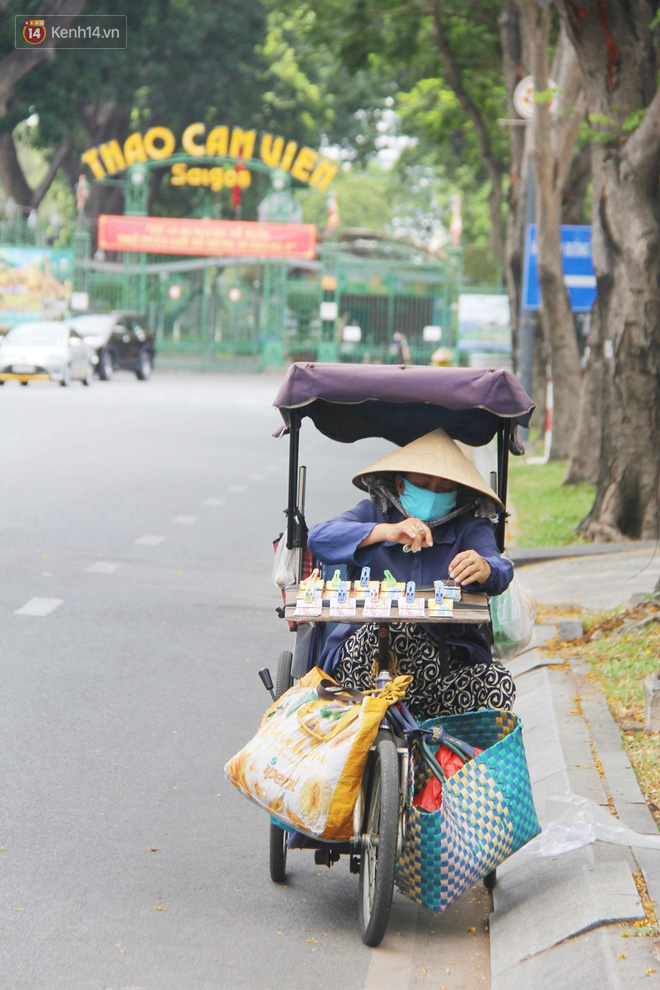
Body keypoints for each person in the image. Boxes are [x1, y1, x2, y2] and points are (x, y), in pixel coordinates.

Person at [307, 427, 515, 721]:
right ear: (401, 483)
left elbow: (501, 568)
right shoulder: (372, 513)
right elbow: (319, 538)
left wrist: (485, 567)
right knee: (398, 624)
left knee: (499, 682)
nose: (432, 492)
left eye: (443, 487)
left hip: (441, 671)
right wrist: (385, 532)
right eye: (423, 482)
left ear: (457, 495)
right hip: (363, 668)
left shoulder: (471, 528)